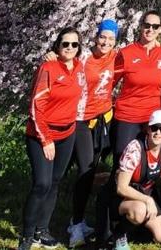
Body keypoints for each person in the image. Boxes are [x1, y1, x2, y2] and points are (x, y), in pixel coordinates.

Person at [21, 27, 87, 250]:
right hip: (42, 134)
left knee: (55, 182)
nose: (69, 48)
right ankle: (27, 236)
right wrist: (46, 139)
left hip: (67, 133)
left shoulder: (79, 67)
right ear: (57, 45)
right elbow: (36, 106)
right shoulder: (48, 68)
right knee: (42, 183)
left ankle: (42, 230)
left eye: (74, 45)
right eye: (65, 44)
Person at [67, 20, 119, 248]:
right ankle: (76, 224)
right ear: (96, 37)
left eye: (111, 38)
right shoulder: (84, 58)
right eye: (102, 37)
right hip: (81, 120)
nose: (106, 42)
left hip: (102, 120)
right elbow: (64, 62)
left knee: (92, 169)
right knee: (86, 171)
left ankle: (79, 219)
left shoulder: (117, 57)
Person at [112, 109, 161, 250]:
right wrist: (147, 200)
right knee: (140, 211)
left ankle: (139, 229)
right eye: (154, 127)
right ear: (148, 128)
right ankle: (119, 233)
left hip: (146, 194)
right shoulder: (134, 149)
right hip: (121, 197)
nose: (158, 133)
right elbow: (121, 188)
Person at [111, 9, 161, 159]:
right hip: (128, 115)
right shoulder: (126, 53)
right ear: (141, 26)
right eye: (147, 25)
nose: (150, 30)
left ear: (160, 29)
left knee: (147, 161)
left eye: (155, 27)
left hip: (153, 118)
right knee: (123, 160)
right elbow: (109, 82)